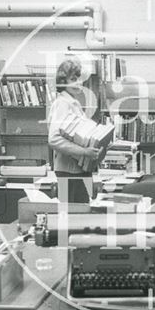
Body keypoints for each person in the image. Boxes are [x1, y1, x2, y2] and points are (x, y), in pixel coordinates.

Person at [48, 58, 101, 203]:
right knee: (70, 217)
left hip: (78, 171)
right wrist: (84, 152)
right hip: (68, 172)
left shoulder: (73, 104)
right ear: (63, 82)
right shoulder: (62, 104)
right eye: (73, 79)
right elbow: (53, 139)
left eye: (79, 79)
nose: (78, 82)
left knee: (80, 215)